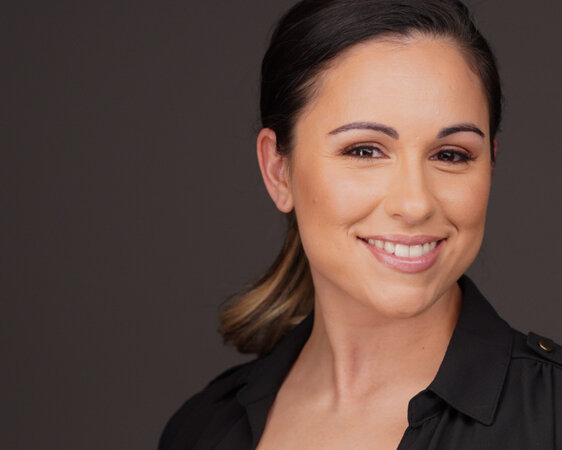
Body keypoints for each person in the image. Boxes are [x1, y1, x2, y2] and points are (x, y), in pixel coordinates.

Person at [159, 0, 561, 448]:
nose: (415, 204)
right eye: (364, 150)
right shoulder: (201, 430)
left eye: (451, 155)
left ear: (490, 164)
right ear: (278, 170)